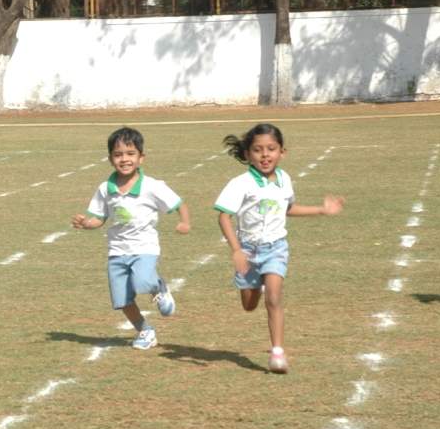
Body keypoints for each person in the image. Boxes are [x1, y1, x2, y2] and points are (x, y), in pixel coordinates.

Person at [215, 123, 345, 374]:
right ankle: (258, 284)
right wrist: (236, 250)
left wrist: (321, 210)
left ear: (282, 152)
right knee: (249, 305)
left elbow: (288, 209)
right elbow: (223, 216)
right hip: (248, 251)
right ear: (247, 154)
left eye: (271, 149)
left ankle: (277, 352)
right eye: (257, 150)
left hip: (276, 248)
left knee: (274, 298)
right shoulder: (241, 183)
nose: (265, 155)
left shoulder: (284, 179)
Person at [71, 127, 190, 350]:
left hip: (144, 247)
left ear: (141, 157)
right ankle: (145, 331)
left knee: (143, 281)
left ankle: (159, 288)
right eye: (118, 155)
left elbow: (178, 203)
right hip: (116, 250)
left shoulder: (152, 186)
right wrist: (86, 223)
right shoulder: (105, 189)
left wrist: (184, 222)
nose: (124, 159)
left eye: (130, 153)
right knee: (122, 300)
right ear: (110, 159)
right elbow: (99, 218)